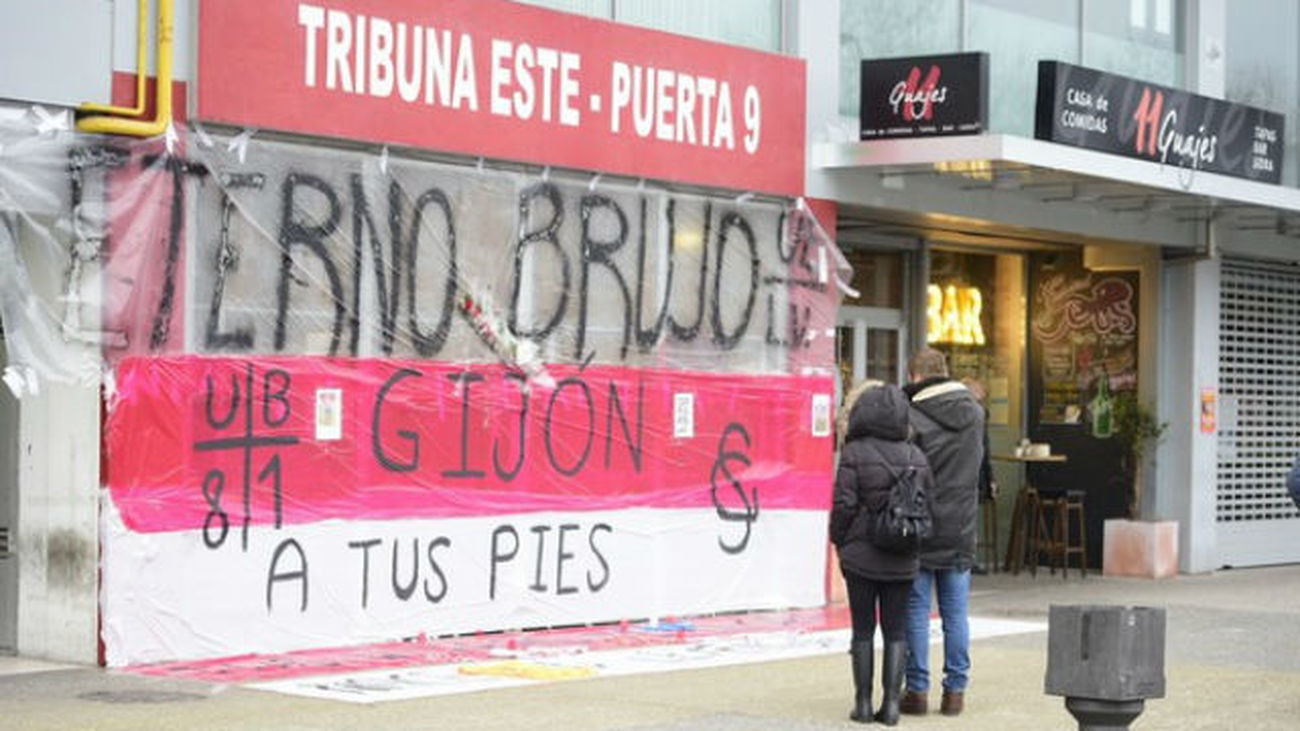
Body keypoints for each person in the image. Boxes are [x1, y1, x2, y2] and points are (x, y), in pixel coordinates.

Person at [830, 382, 933, 725]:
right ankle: (890, 706)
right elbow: (927, 505)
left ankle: (862, 704)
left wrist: (840, 541)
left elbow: (843, 505)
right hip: (903, 555)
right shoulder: (916, 456)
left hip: (860, 555)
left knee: (862, 630)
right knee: (896, 630)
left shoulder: (854, 453)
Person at [900, 349, 985, 717]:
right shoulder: (975, 414)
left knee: (917, 610)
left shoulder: (912, 414)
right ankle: (956, 693)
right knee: (956, 613)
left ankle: (917, 690)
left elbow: (907, 472)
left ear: (916, 376)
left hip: (922, 524)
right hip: (961, 525)